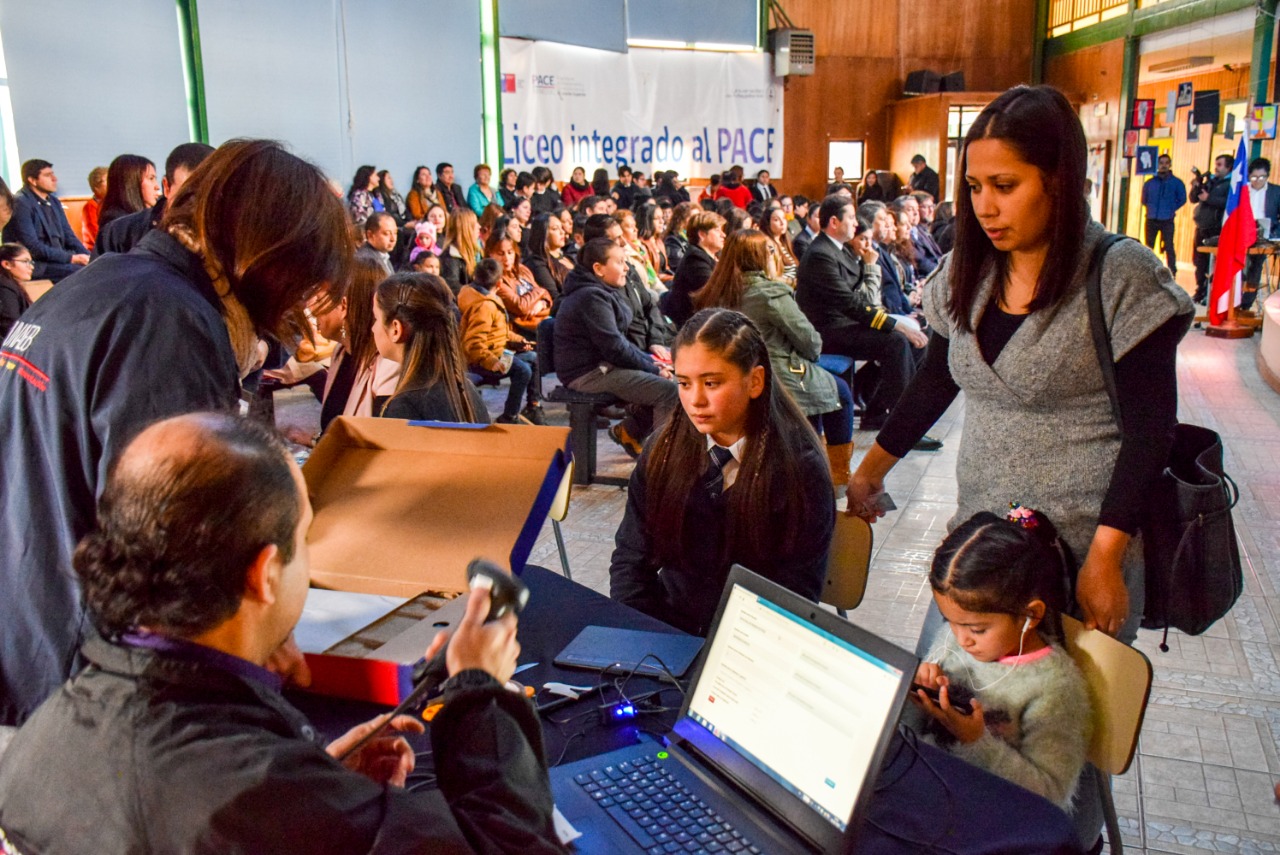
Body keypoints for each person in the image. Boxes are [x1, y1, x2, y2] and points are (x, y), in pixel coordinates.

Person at [0, 412, 560, 851]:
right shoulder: (254, 799)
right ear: (265, 573)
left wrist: (318, 782)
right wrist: (482, 692)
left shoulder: (38, 741)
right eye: (305, 537)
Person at [0, 139, 352, 725]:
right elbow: (176, 541)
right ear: (274, 257)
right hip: (93, 681)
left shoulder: (110, 281)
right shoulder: (171, 322)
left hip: (30, 630)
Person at [849, 85, 1194, 649]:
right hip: (982, 543)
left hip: (1082, 547)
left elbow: (1151, 431)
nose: (985, 206)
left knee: (1060, 725)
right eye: (975, 187)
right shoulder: (970, 270)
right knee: (946, 713)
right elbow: (937, 379)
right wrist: (872, 469)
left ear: (1059, 179)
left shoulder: (1118, 276)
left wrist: (1106, 556)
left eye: (1005, 186)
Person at [609, 308, 834, 636]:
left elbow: (795, 595)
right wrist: (642, 635)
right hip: (666, 632)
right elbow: (631, 561)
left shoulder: (799, 469)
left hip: (751, 643)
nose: (695, 400)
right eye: (683, 383)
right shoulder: (662, 450)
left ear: (755, 381)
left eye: (711, 383)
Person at [908, 507, 1092, 813]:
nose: (961, 639)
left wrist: (975, 740)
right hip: (931, 787)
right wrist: (912, 695)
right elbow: (914, 733)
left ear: (1031, 615)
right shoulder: (953, 639)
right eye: (949, 621)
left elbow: (1051, 797)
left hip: (988, 815)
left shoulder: (1055, 689)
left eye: (977, 629)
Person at [694, 231, 855, 486]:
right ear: (761, 257)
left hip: (730, 375)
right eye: (771, 251)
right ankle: (837, 476)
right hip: (779, 374)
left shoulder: (715, 293)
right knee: (840, 393)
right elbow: (810, 343)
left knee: (824, 386)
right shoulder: (769, 293)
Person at [795, 195, 929, 436]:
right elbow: (851, 304)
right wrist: (896, 326)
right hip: (829, 331)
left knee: (914, 339)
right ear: (834, 222)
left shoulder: (839, 250)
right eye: (852, 218)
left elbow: (864, 298)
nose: (856, 224)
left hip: (846, 324)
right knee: (896, 341)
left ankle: (878, 410)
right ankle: (905, 428)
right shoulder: (820, 254)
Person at [554, 237, 679, 457]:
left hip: (603, 367)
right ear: (599, 269)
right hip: (588, 374)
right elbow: (614, 346)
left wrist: (652, 362)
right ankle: (662, 462)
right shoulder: (591, 297)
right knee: (669, 392)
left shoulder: (600, 291)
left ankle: (631, 432)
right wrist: (652, 368)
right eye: (620, 262)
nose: (626, 268)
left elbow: (618, 345)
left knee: (671, 381)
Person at [373, 273, 489, 423]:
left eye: (376, 318)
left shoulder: (404, 408)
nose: (373, 329)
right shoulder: (466, 390)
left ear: (396, 329)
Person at [315, 257, 400, 434]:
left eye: (318, 298)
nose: (311, 308)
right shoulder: (340, 352)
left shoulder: (388, 364)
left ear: (343, 306)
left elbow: (382, 440)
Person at [459, 258, 544, 425]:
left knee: (533, 358)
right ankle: (509, 416)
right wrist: (491, 361)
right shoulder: (484, 306)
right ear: (499, 284)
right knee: (523, 371)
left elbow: (499, 333)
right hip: (482, 361)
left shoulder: (484, 298)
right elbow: (473, 342)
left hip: (496, 353)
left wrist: (520, 341)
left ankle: (533, 406)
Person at [94, 142, 215, 257]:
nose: (199, 203)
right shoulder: (117, 234)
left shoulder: (225, 235)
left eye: (211, 194)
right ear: (167, 187)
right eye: (188, 194)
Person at [1, 159, 90, 282]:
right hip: (37, 264)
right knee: (80, 273)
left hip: (58, 259)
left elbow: (69, 236)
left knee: (94, 267)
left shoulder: (54, 201)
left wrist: (90, 257)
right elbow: (32, 246)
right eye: (48, 175)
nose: (55, 179)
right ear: (32, 180)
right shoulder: (21, 203)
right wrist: (71, 258)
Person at [665, 210, 725, 328]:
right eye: (718, 231)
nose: (723, 235)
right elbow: (716, 294)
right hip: (695, 325)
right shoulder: (695, 260)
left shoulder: (711, 256)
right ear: (702, 234)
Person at [484, 233, 552, 335]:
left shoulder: (522, 269)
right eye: (500, 254)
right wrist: (542, 291)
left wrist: (541, 303)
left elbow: (547, 297)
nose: (507, 258)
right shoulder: (495, 280)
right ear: (490, 254)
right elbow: (520, 306)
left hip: (543, 317)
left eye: (510, 252)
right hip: (524, 329)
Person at [1190, 155, 1232, 304]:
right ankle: (1200, 289)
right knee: (1199, 261)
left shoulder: (1230, 185)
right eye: (1216, 164)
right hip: (1201, 226)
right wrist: (1196, 187)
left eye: (1220, 165)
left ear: (1228, 168)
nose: (1216, 167)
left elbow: (1228, 203)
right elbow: (1194, 199)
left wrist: (1209, 198)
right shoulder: (1210, 181)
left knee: (1214, 263)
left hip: (1215, 229)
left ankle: (1211, 292)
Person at [1140, 154, 1187, 274]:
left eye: (1166, 163)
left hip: (1167, 219)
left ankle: (1172, 271)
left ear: (1170, 165)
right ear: (1157, 165)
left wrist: (1171, 208)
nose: (1164, 165)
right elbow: (1144, 199)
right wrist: (1151, 208)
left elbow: (1182, 199)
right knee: (1148, 247)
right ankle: (1147, 270)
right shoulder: (1150, 183)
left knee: (1169, 247)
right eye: (1161, 163)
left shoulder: (1176, 183)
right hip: (1151, 218)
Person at [1243, 157, 1280, 310]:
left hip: (1264, 237)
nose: (1258, 180)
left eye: (1261, 177)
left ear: (1267, 175)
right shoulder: (1243, 191)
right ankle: (1234, 300)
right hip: (1243, 234)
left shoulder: (1276, 192)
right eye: (1254, 177)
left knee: (1256, 265)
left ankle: (1246, 304)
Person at [96, 154, 162, 230]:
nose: (157, 187)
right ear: (132, 183)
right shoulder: (118, 224)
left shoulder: (151, 214)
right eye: (151, 178)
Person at [523, 211, 573, 304]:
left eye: (561, 228)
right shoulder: (537, 263)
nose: (562, 232)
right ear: (543, 233)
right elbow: (554, 297)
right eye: (555, 229)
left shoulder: (569, 257)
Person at [439, 207, 482, 295]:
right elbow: (454, 290)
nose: (479, 226)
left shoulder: (476, 253)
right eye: (475, 223)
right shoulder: (450, 259)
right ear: (465, 229)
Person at [0, 243, 34, 338]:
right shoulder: (4, 288)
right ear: (7, 264)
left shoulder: (10, 284)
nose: (31, 267)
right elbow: (10, 325)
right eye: (25, 261)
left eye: (31, 262)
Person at [761, 205, 798, 286]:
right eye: (776, 220)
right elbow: (772, 277)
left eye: (784, 218)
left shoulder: (784, 242)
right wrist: (793, 282)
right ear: (767, 223)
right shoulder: (767, 244)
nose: (782, 223)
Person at [80, 165, 107, 250]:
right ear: (96, 188)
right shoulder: (90, 207)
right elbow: (96, 236)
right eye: (108, 181)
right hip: (95, 252)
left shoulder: (113, 204)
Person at [663, 201, 695, 273]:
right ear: (681, 220)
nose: (697, 221)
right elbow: (678, 266)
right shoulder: (673, 240)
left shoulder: (698, 238)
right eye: (692, 218)